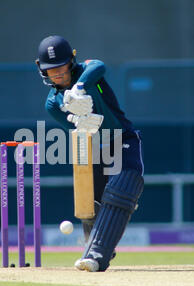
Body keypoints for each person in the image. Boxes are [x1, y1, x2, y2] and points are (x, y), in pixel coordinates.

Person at [36, 35, 144, 272]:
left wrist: (80, 88)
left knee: (121, 188)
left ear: (71, 61)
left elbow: (99, 65)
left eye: (61, 67)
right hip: (95, 148)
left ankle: (96, 256)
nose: (58, 74)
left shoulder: (89, 73)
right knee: (92, 203)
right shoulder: (53, 103)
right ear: (42, 70)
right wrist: (80, 119)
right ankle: (94, 244)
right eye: (51, 70)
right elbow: (77, 130)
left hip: (122, 138)